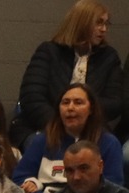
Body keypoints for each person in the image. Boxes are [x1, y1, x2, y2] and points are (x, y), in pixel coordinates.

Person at [17, 2, 122, 145]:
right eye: (98, 23)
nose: (103, 29)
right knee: (38, 143)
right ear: (82, 22)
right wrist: (60, 125)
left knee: (110, 145)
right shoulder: (48, 51)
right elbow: (31, 97)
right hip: (44, 126)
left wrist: (82, 117)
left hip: (91, 130)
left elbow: (114, 102)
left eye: (105, 24)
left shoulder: (109, 57)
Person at [15, 83, 125, 193]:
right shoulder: (41, 141)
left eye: (78, 102)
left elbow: (114, 188)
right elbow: (19, 178)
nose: (70, 108)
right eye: (65, 102)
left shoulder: (108, 143)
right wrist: (35, 190)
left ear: (91, 109)